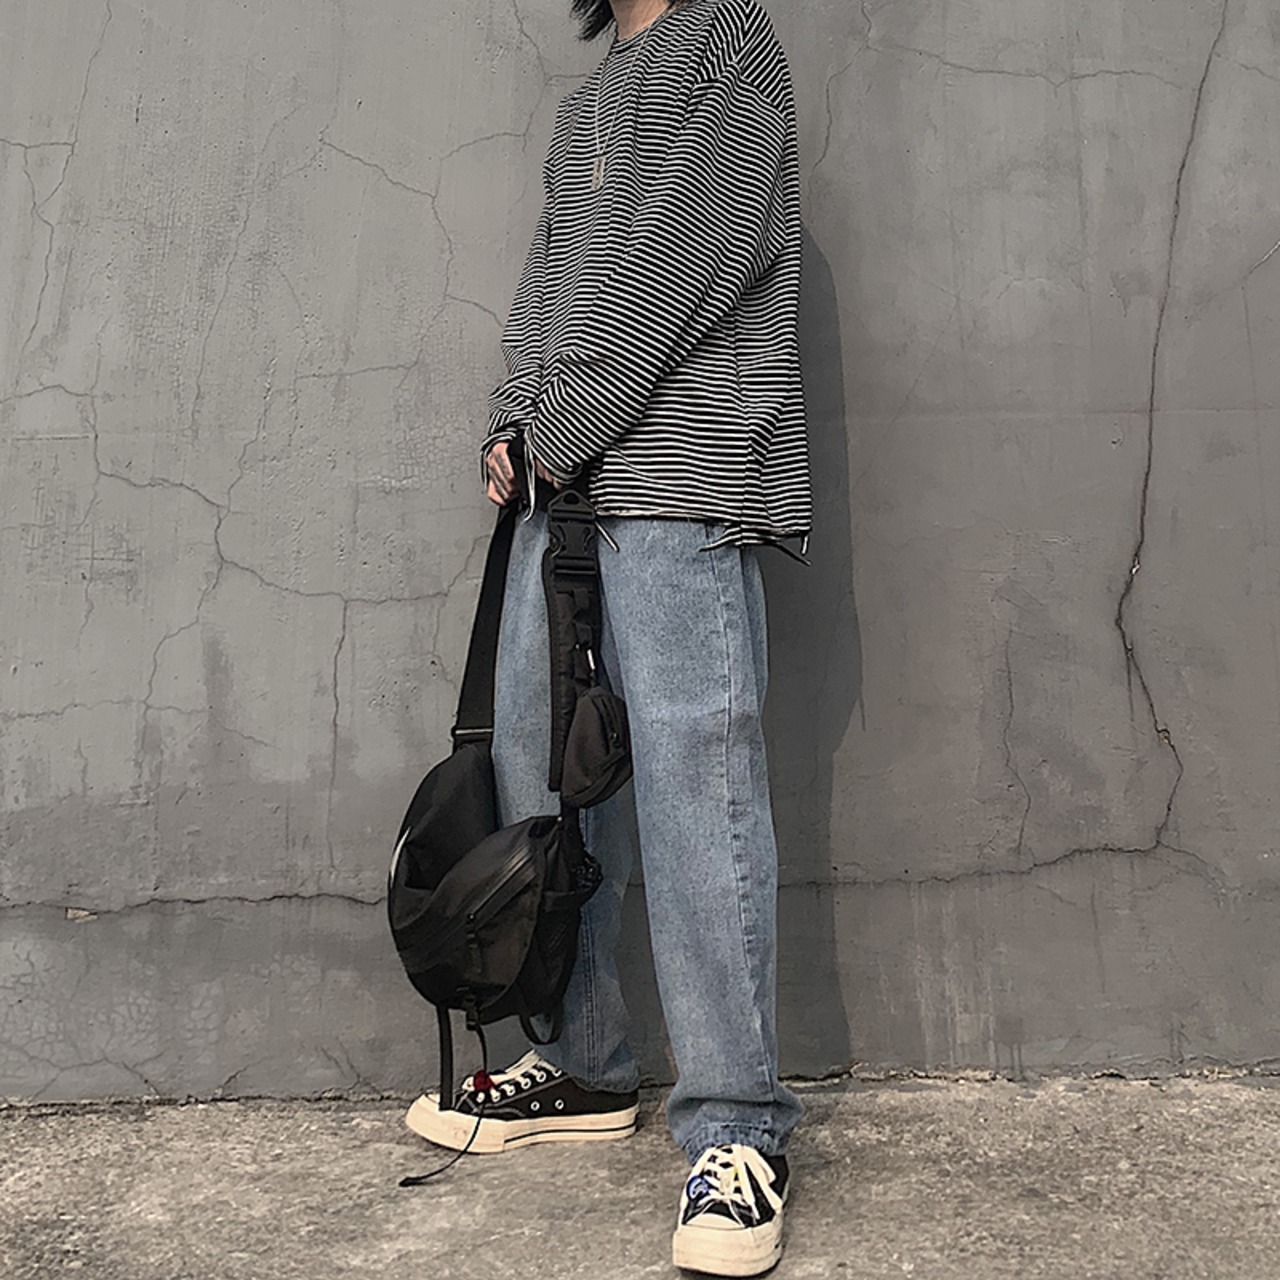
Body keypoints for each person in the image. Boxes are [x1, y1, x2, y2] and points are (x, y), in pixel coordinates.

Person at [406, 0, 811, 1273]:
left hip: (682, 489)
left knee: (698, 799)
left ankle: (737, 1123)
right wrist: (509, 417)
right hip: (562, 501)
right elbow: (549, 281)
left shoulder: (729, 38)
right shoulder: (590, 99)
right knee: (545, 793)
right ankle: (583, 1062)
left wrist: (558, 422)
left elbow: (691, 255)